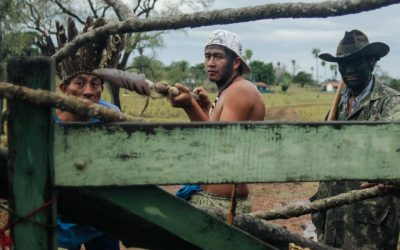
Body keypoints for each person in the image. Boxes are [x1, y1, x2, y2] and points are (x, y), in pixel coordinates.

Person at [38, 17, 149, 250]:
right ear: (63, 89)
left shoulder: (111, 114)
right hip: (56, 217)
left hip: (100, 218)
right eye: (80, 82)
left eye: (96, 83)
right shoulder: (43, 119)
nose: (89, 91)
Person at [310, 29, 400, 250]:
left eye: (355, 61)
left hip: (369, 227)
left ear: (371, 62)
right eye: (343, 63)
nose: (348, 69)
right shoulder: (338, 103)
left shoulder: (391, 104)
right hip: (330, 220)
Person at [170, 30, 265, 213]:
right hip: (213, 197)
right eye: (207, 56)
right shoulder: (228, 91)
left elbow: (219, 146)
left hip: (221, 203)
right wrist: (205, 110)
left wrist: (191, 107)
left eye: (218, 57)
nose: (211, 63)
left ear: (236, 62)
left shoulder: (240, 91)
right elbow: (215, 132)